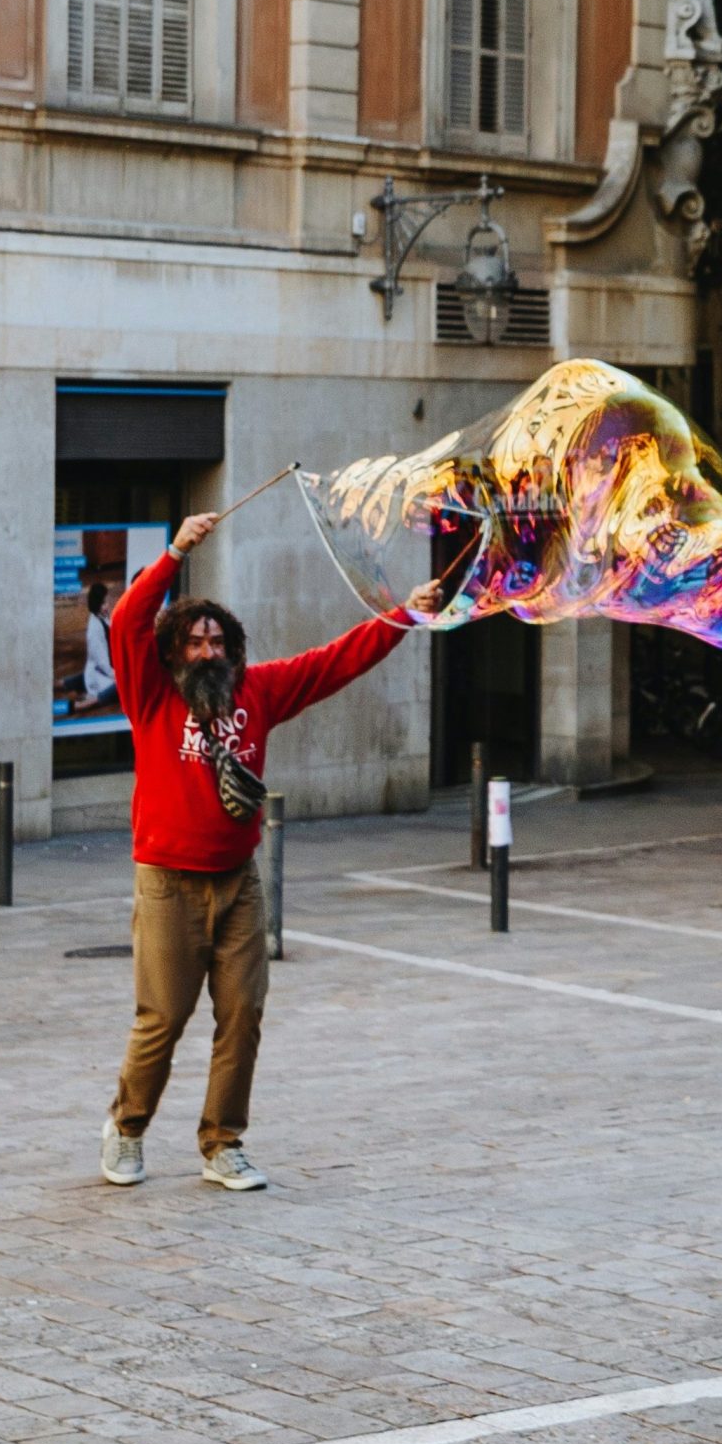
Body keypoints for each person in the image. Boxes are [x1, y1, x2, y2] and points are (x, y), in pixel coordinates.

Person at [100, 510, 445, 1192]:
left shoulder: (257, 692)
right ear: (174, 652)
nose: (207, 651)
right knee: (164, 1017)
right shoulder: (151, 695)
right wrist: (173, 554)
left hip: (238, 881)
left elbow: (336, 660)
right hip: (168, 881)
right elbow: (126, 623)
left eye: (218, 641)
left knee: (244, 1015)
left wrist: (406, 614)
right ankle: (128, 1127)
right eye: (195, 641)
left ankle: (222, 1142)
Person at [74, 579, 118, 714]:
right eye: (104, 603)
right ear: (97, 603)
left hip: (108, 669)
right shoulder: (94, 628)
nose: (107, 605)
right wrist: (114, 674)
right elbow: (101, 661)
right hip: (99, 675)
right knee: (121, 687)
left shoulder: (103, 617)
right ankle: (89, 702)